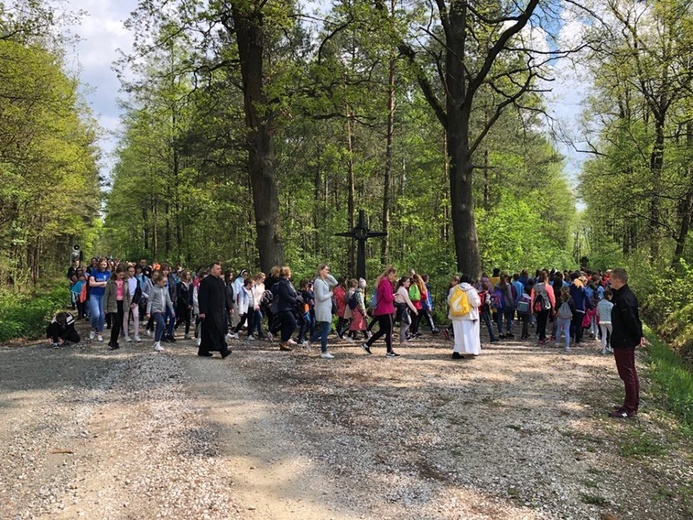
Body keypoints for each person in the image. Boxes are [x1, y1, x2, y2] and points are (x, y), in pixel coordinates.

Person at [608, 268, 645, 419]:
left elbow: (631, 320)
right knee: (630, 372)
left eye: (611, 279)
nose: (609, 281)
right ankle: (632, 403)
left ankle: (629, 408)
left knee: (627, 373)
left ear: (617, 279)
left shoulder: (624, 299)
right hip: (625, 339)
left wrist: (639, 335)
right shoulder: (625, 295)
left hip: (624, 341)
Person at [361, 265, 399, 357]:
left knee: (382, 330)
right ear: (390, 274)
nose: (394, 277)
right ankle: (389, 351)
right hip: (385, 310)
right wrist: (394, 296)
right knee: (389, 330)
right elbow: (387, 298)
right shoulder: (385, 283)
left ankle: (367, 345)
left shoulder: (383, 282)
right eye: (393, 275)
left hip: (382, 310)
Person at [197, 262, 232, 358]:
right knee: (216, 331)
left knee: (208, 332)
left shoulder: (221, 281)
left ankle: (203, 350)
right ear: (212, 269)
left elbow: (225, 296)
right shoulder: (206, 281)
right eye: (217, 269)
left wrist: (230, 307)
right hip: (210, 311)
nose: (220, 270)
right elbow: (202, 297)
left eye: (220, 269)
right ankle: (223, 350)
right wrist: (202, 311)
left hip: (220, 310)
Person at [448, 274, 482, 359]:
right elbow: (476, 302)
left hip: (456, 315)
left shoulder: (453, 289)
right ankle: (473, 350)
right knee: (471, 334)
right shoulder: (471, 290)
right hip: (469, 316)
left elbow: (449, 301)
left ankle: (456, 351)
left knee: (458, 334)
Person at [310, 264, 339, 359]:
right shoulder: (318, 282)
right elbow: (321, 297)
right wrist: (331, 293)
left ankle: (309, 341)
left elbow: (335, 283)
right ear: (321, 270)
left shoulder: (324, 281)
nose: (328, 271)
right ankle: (324, 351)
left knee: (325, 329)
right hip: (322, 308)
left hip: (326, 308)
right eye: (326, 270)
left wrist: (327, 276)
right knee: (326, 330)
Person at [103, 264, 131, 351]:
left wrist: (128, 304)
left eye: (123, 275)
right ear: (116, 273)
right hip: (113, 304)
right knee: (117, 322)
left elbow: (128, 294)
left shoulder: (126, 282)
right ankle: (112, 341)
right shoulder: (110, 282)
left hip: (122, 304)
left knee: (119, 323)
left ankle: (113, 341)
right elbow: (106, 295)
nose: (121, 277)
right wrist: (105, 306)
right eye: (120, 275)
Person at [146, 271, 175, 353]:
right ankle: (157, 342)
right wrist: (148, 312)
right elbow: (150, 301)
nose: (165, 283)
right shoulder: (154, 289)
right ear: (158, 281)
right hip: (156, 310)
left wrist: (172, 310)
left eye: (166, 282)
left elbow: (168, 301)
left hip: (163, 310)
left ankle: (156, 342)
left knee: (160, 325)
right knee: (162, 324)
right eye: (163, 282)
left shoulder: (165, 289)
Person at [88, 258, 111, 342]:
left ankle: (100, 333)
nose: (103, 266)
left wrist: (97, 284)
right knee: (95, 315)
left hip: (104, 296)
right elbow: (91, 284)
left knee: (102, 315)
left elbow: (109, 285)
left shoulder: (109, 273)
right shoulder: (94, 272)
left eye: (104, 264)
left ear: (107, 265)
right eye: (101, 264)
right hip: (94, 295)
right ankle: (93, 328)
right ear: (99, 265)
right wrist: (102, 283)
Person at [597, 289, 614, 355]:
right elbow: (613, 314)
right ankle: (612, 348)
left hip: (601, 321)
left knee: (604, 335)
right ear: (609, 296)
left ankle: (604, 349)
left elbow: (597, 313)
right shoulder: (610, 304)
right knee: (612, 335)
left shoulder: (599, 303)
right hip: (609, 321)